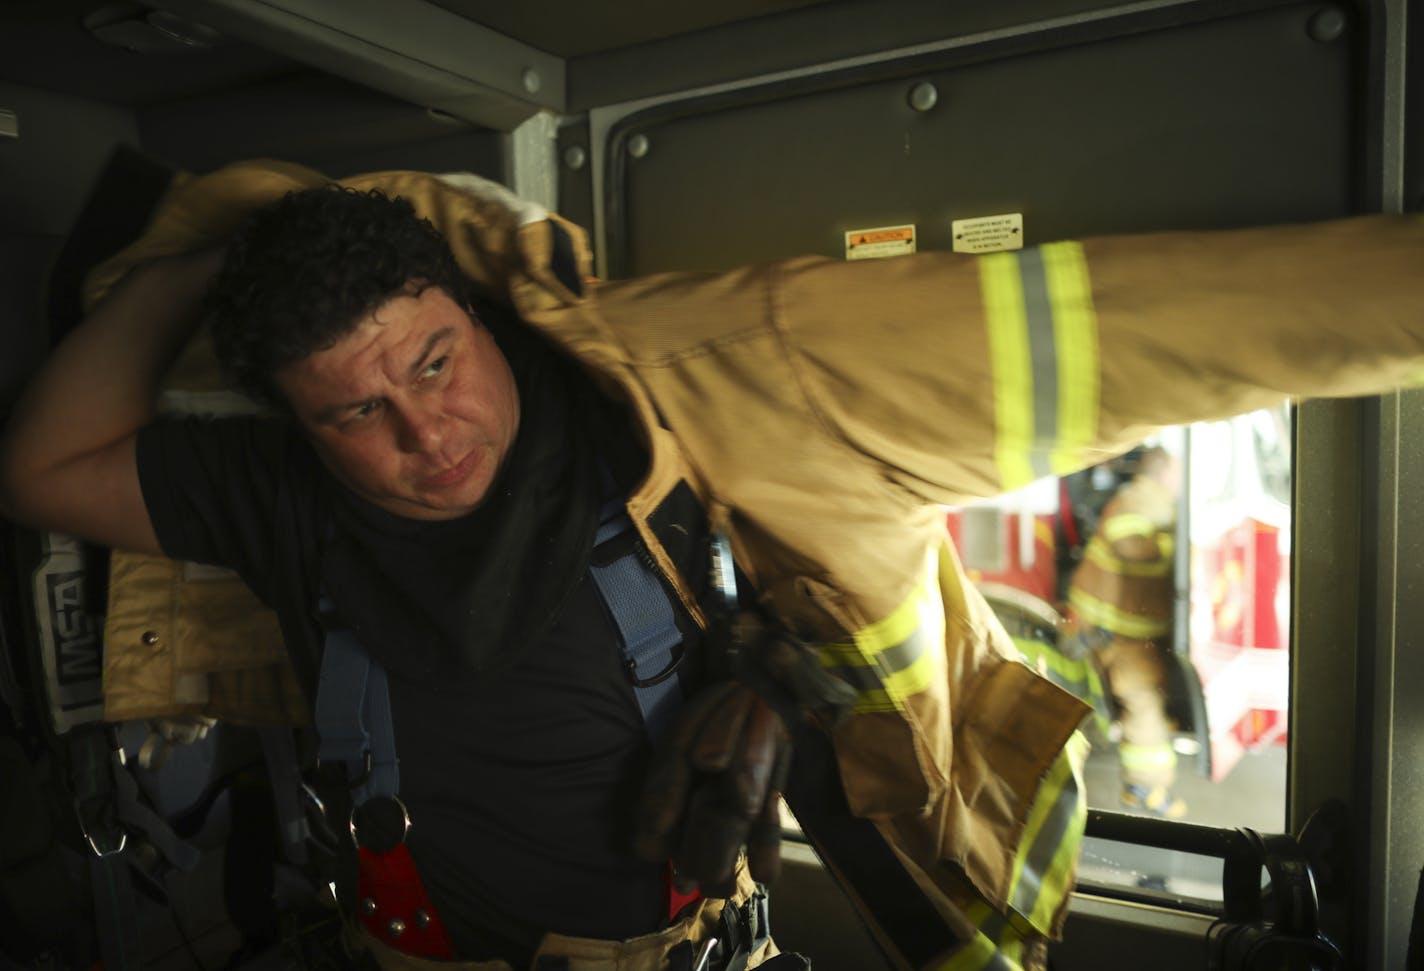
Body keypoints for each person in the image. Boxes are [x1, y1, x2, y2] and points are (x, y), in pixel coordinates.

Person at [3, 157, 1424, 971]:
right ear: (301, 422)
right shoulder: (280, 495)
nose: (424, 430)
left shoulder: (674, 424)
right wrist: (210, 255)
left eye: (435, 361)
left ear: (484, 316)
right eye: (354, 409)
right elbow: (42, 467)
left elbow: (1183, 326)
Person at [1061, 446, 1188, 818]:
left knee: (1139, 703)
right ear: (1164, 473)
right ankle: (1144, 789)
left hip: (1118, 632)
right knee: (1144, 705)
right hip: (1119, 635)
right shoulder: (1139, 499)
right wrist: (1175, 546)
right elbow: (1131, 545)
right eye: (1178, 474)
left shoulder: (1150, 499)